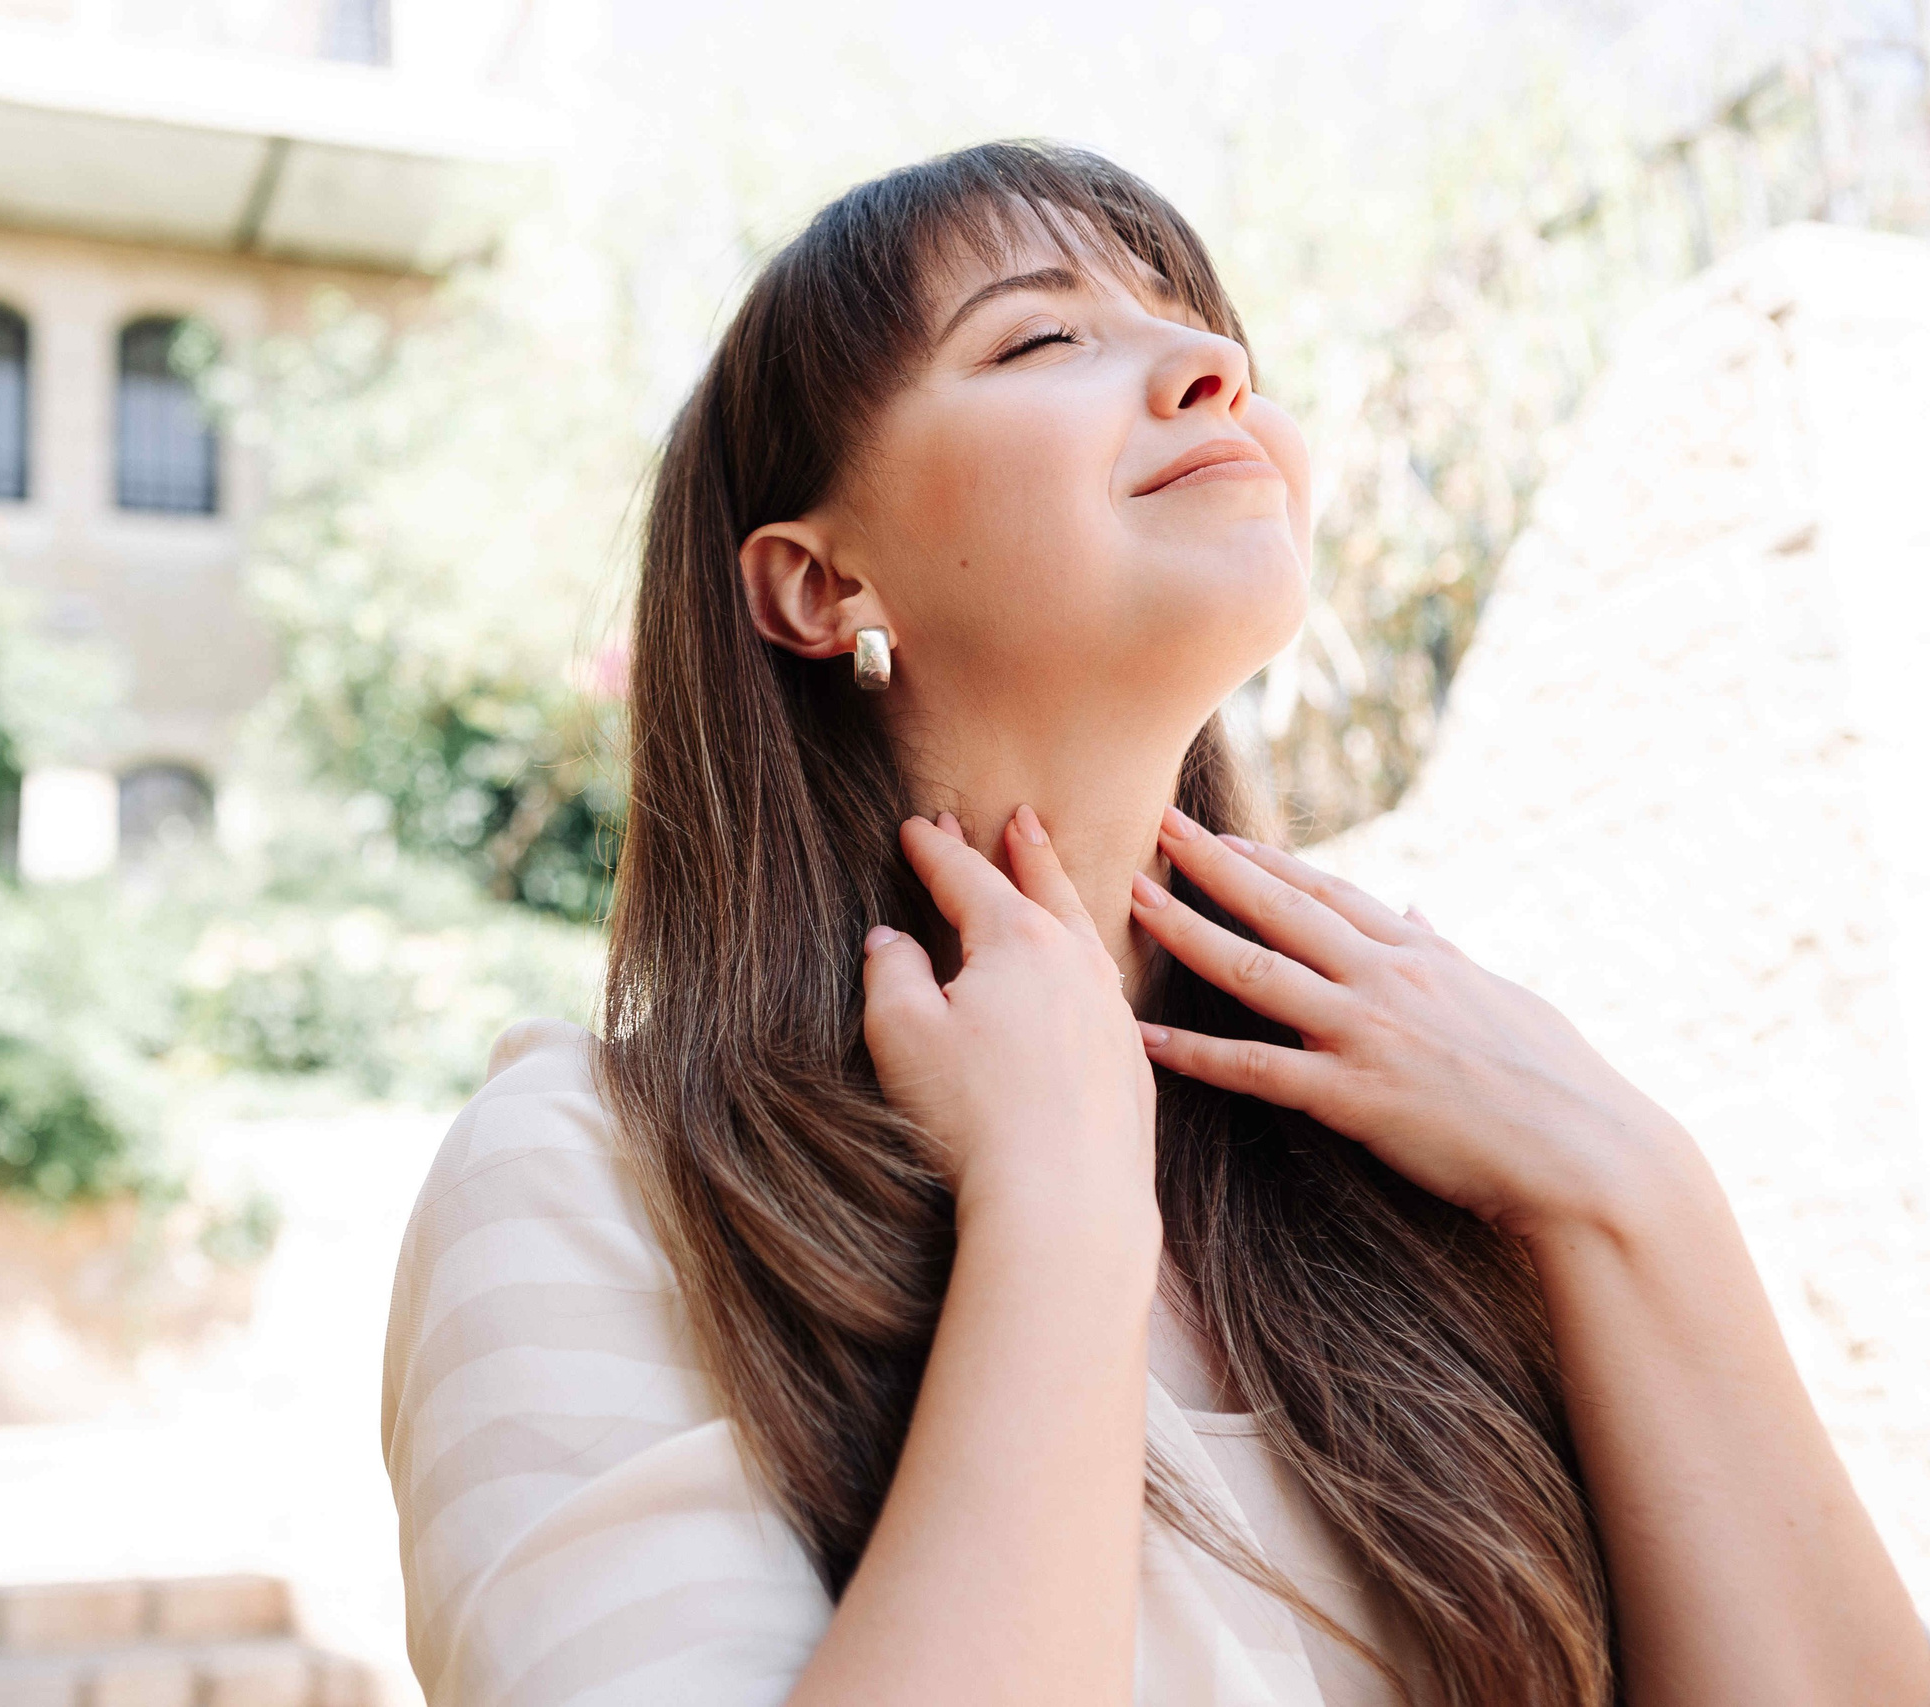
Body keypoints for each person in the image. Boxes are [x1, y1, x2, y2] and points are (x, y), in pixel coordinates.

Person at [378, 141, 1930, 1707]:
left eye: (1196, 318)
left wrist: (1630, 1189)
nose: (1213, 363)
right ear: (816, 585)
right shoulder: (594, 1176)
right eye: (1041, 336)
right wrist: (1060, 1210)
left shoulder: (1436, 1174)